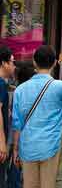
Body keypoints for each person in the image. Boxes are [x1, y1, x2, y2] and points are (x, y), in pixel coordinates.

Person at [11, 45, 62, 188]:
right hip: (52, 146)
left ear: (34, 62)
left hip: (28, 147)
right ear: (55, 63)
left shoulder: (20, 90)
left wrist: (15, 149)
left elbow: (17, 124)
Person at [0, 46, 13, 186]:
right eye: (12, 61)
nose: (13, 65)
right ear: (4, 63)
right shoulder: (0, 84)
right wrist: (2, 143)